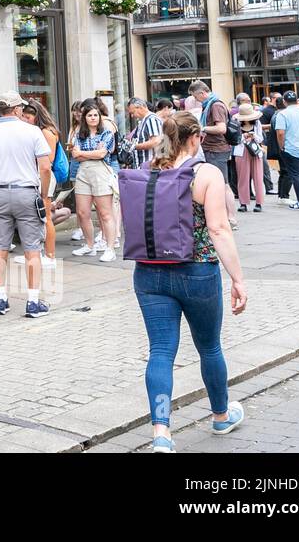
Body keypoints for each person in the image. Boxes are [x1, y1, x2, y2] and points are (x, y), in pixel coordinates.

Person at [130, 112, 248, 453]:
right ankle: (221, 415)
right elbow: (219, 229)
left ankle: (161, 434)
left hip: (149, 274)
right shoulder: (205, 173)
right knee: (209, 347)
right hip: (198, 271)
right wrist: (238, 278)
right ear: (195, 139)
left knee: (161, 352)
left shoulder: (147, 172)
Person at [0, 93, 54, 318]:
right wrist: (44, 194)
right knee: (32, 248)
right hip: (27, 191)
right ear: (17, 109)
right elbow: (45, 168)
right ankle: (33, 301)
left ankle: (0, 299)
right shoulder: (32, 131)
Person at [71, 102, 119, 262]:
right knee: (82, 212)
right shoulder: (79, 133)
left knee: (105, 212)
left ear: (99, 117)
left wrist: (85, 153)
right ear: (85, 118)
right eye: (89, 115)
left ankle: (110, 247)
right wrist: (91, 153)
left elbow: (102, 154)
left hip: (100, 170)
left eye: (95, 115)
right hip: (83, 171)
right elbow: (75, 155)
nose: (93, 118)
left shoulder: (106, 132)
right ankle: (90, 245)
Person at [19, 98, 61, 266]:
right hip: (37, 175)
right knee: (36, 217)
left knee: (45, 217)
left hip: (43, 176)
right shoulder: (39, 131)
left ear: (36, 116)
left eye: (27, 117)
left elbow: (48, 160)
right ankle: (35, 252)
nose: (24, 120)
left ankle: (50, 255)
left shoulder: (46, 132)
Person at [190, 81, 232, 176]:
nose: (195, 99)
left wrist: (202, 129)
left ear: (202, 93)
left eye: (195, 96)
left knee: (221, 183)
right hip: (213, 150)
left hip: (216, 150)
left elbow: (221, 128)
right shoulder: (210, 104)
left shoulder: (215, 105)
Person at [233, 102, 265, 213]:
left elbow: (260, 139)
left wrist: (253, 135)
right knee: (242, 177)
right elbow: (235, 140)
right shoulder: (236, 123)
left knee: (258, 177)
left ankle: (259, 202)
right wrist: (244, 136)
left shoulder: (257, 123)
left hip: (255, 150)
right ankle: (243, 203)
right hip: (241, 151)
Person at [124, 97, 164, 170]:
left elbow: (155, 141)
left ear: (140, 107)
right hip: (143, 167)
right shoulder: (144, 120)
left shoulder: (151, 119)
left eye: (132, 113)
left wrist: (134, 146)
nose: (132, 116)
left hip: (150, 168)